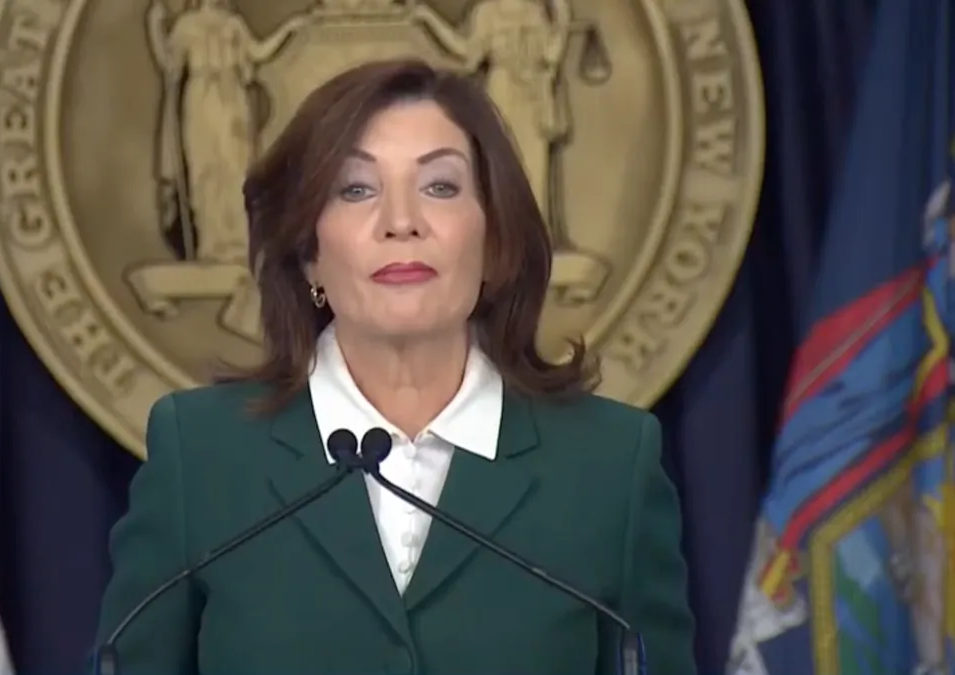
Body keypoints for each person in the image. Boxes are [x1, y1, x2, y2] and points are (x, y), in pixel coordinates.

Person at [93, 57, 696, 675]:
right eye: (356, 189)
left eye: (440, 186)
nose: (401, 222)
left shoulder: (610, 464)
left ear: (494, 240)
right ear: (308, 256)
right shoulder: (202, 455)